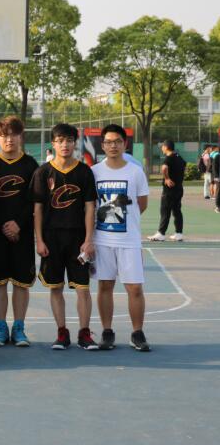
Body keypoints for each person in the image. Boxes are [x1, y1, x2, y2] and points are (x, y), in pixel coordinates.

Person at [31, 123, 98, 351]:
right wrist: (39, 240)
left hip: (78, 238)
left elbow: (90, 207)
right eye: (60, 141)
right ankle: (62, 332)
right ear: (53, 144)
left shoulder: (84, 171)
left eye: (69, 140)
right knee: (55, 287)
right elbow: (38, 209)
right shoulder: (43, 172)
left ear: (74, 143)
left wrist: (88, 240)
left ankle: (84, 333)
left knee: (83, 288)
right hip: (51, 238)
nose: (65, 145)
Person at [92, 124, 151, 351]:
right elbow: (92, 205)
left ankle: (137, 333)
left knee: (135, 288)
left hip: (129, 241)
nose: (113, 146)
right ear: (103, 145)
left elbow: (141, 205)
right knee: (105, 286)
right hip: (102, 240)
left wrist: (124, 219)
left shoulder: (135, 172)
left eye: (117, 141)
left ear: (124, 144)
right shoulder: (95, 172)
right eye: (108, 142)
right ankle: (107, 332)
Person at [0, 116, 39, 347]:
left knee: (21, 283)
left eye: (14, 135)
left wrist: (19, 224)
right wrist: (4, 224)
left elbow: (33, 200)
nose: (9, 140)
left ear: (20, 137)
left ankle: (19, 328)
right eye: (4, 135)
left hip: (22, 234)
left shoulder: (31, 165)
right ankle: (0, 327)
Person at [148, 139, 186, 242]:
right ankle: (178, 233)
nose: (161, 148)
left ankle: (161, 233)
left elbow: (164, 168)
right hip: (179, 188)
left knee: (165, 211)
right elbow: (184, 166)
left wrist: (167, 178)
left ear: (166, 147)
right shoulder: (179, 157)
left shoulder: (169, 158)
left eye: (162, 146)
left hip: (169, 190)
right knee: (177, 211)